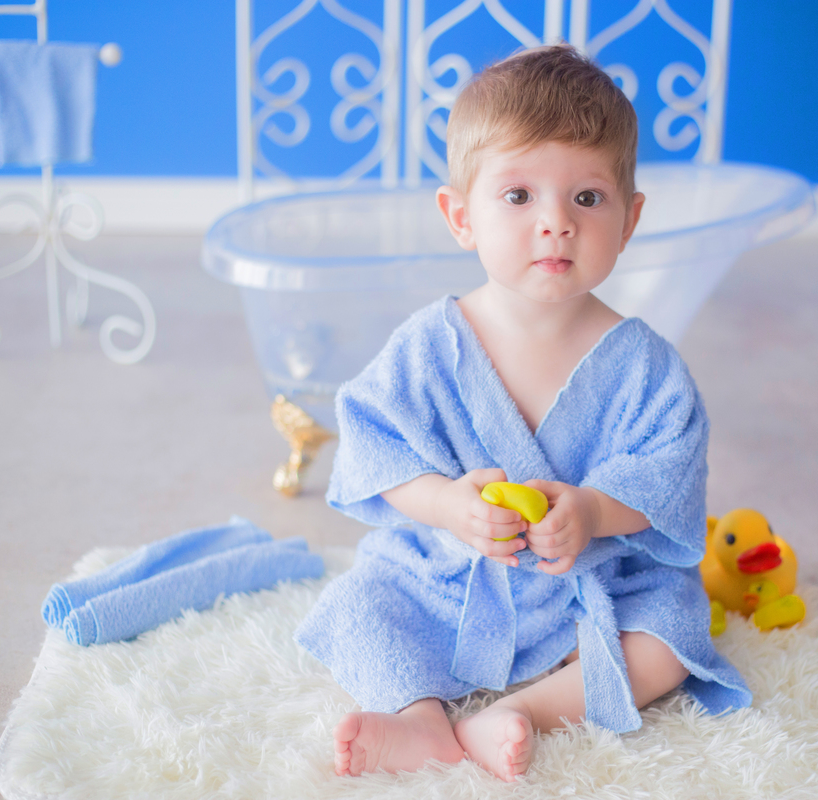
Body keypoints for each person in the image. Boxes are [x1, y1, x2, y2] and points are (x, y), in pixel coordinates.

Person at [294, 44, 750, 782]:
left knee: (669, 637)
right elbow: (375, 450)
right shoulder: (428, 347)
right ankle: (419, 721)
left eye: (587, 199)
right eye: (518, 196)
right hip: (450, 574)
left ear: (630, 219)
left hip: (589, 585)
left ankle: (523, 712)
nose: (556, 223)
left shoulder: (646, 366)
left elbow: (668, 477)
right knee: (359, 604)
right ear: (460, 216)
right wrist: (448, 504)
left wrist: (593, 511)